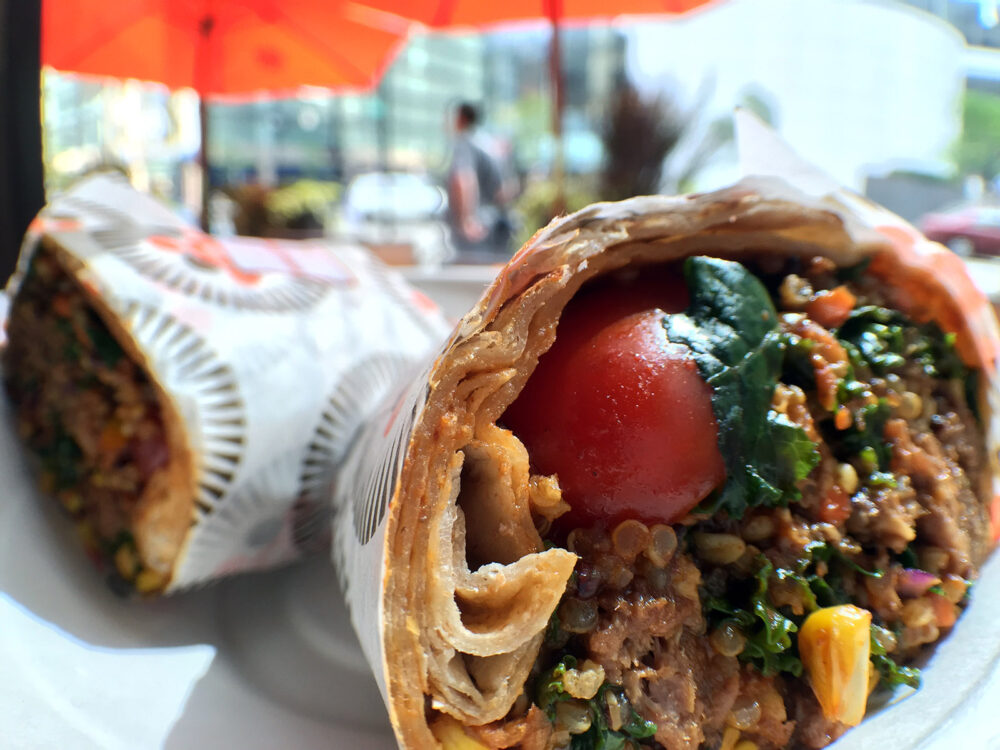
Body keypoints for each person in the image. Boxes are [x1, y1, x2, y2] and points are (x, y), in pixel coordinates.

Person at [446, 102, 515, 258]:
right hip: (495, 223)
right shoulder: (489, 143)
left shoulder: (464, 143)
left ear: (461, 119)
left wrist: (467, 220)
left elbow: (464, 179)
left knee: (470, 277)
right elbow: (505, 190)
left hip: (476, 229)